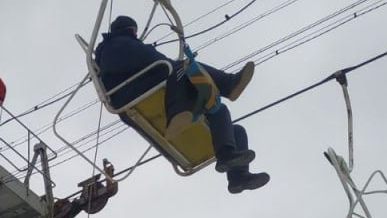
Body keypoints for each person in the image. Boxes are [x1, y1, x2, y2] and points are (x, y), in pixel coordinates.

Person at [93, 15, 270, 194]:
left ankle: (235, 171)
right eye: (134, 31)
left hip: (153, 88)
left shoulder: (121, 46)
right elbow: (154, 59)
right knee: (184, 67)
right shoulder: (116, 45)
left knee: (228, 120)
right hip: (134, 93)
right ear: (128, 30)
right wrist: (186, 69)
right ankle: (219, 89)